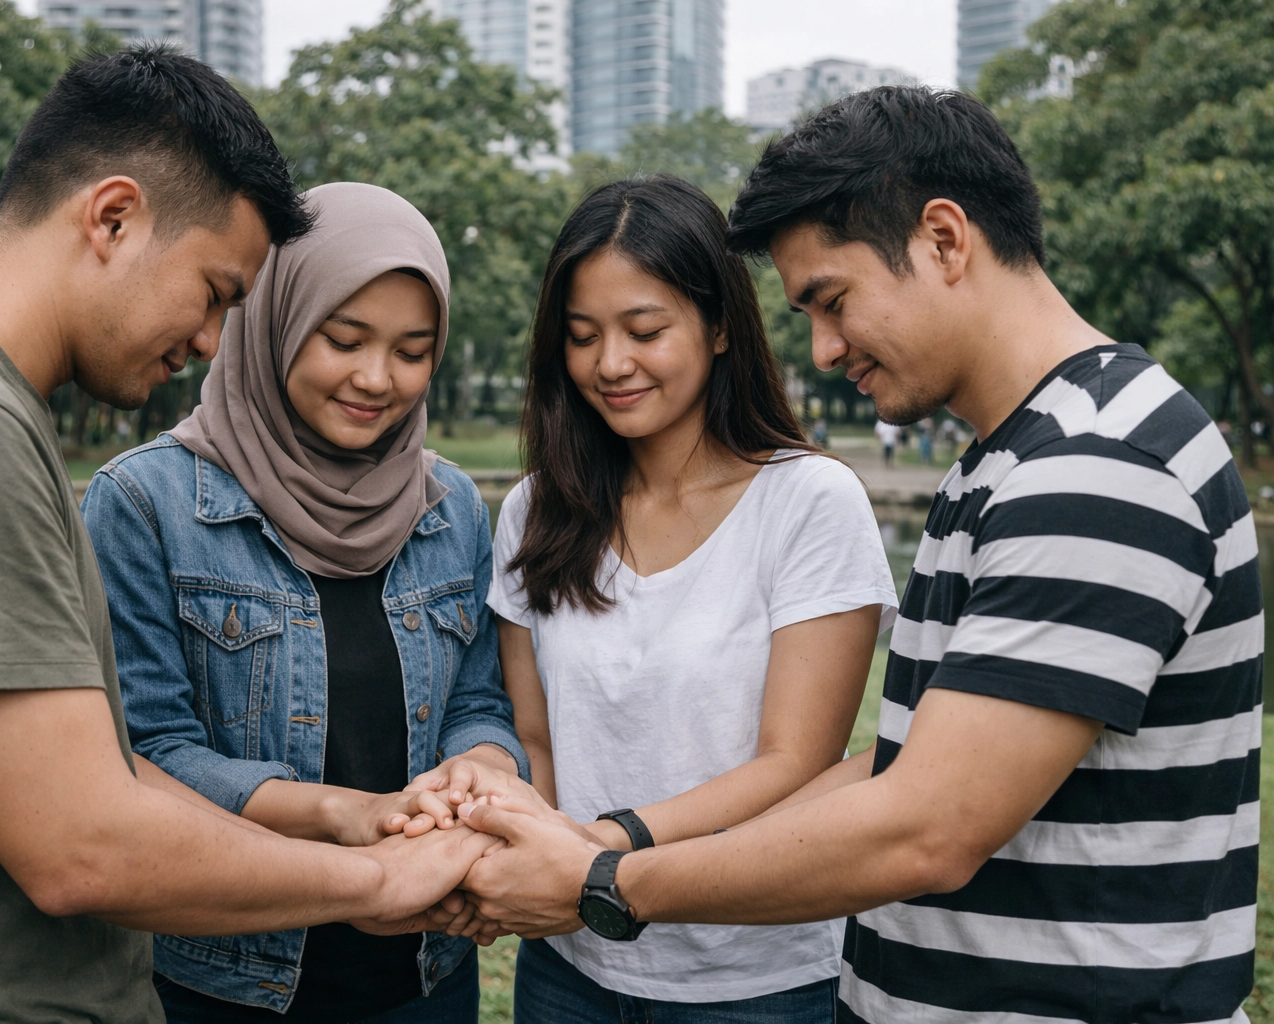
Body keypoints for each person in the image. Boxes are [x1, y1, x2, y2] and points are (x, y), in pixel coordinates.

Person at [450, 86, 1261, 1024]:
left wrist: (606, 876)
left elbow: (929, 829)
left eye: (831, 302)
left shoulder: (1096, 468)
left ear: (944, 240)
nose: (824, 350)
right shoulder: (1010, 460)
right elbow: (898, 768)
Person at [0, 48, 496, 1024]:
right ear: (112, 218)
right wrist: (382, 883)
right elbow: (81, 844)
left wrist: (349, 816)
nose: (214, 342)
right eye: (217, 290)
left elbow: (95, 769)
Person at [423, 175, 898, 1022]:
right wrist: (496, 838)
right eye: (582, 336)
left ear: (719, 326)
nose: (610, 364)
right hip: (568, 968)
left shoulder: (808, 502)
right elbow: (535, 736)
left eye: (645, 330)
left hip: (753, 978)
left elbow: (794, 763)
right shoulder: (539, 508)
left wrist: (604, 849)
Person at [82, 181, 528, 1022]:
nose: (376, 378)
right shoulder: (148, 505)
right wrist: (345, 816)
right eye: (344, 338)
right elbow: (144, 752)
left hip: (423, 976)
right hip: (222, 981)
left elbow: (475, 698)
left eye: (412, 349)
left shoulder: (451, 507)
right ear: (277, 319)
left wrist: (480, 773)